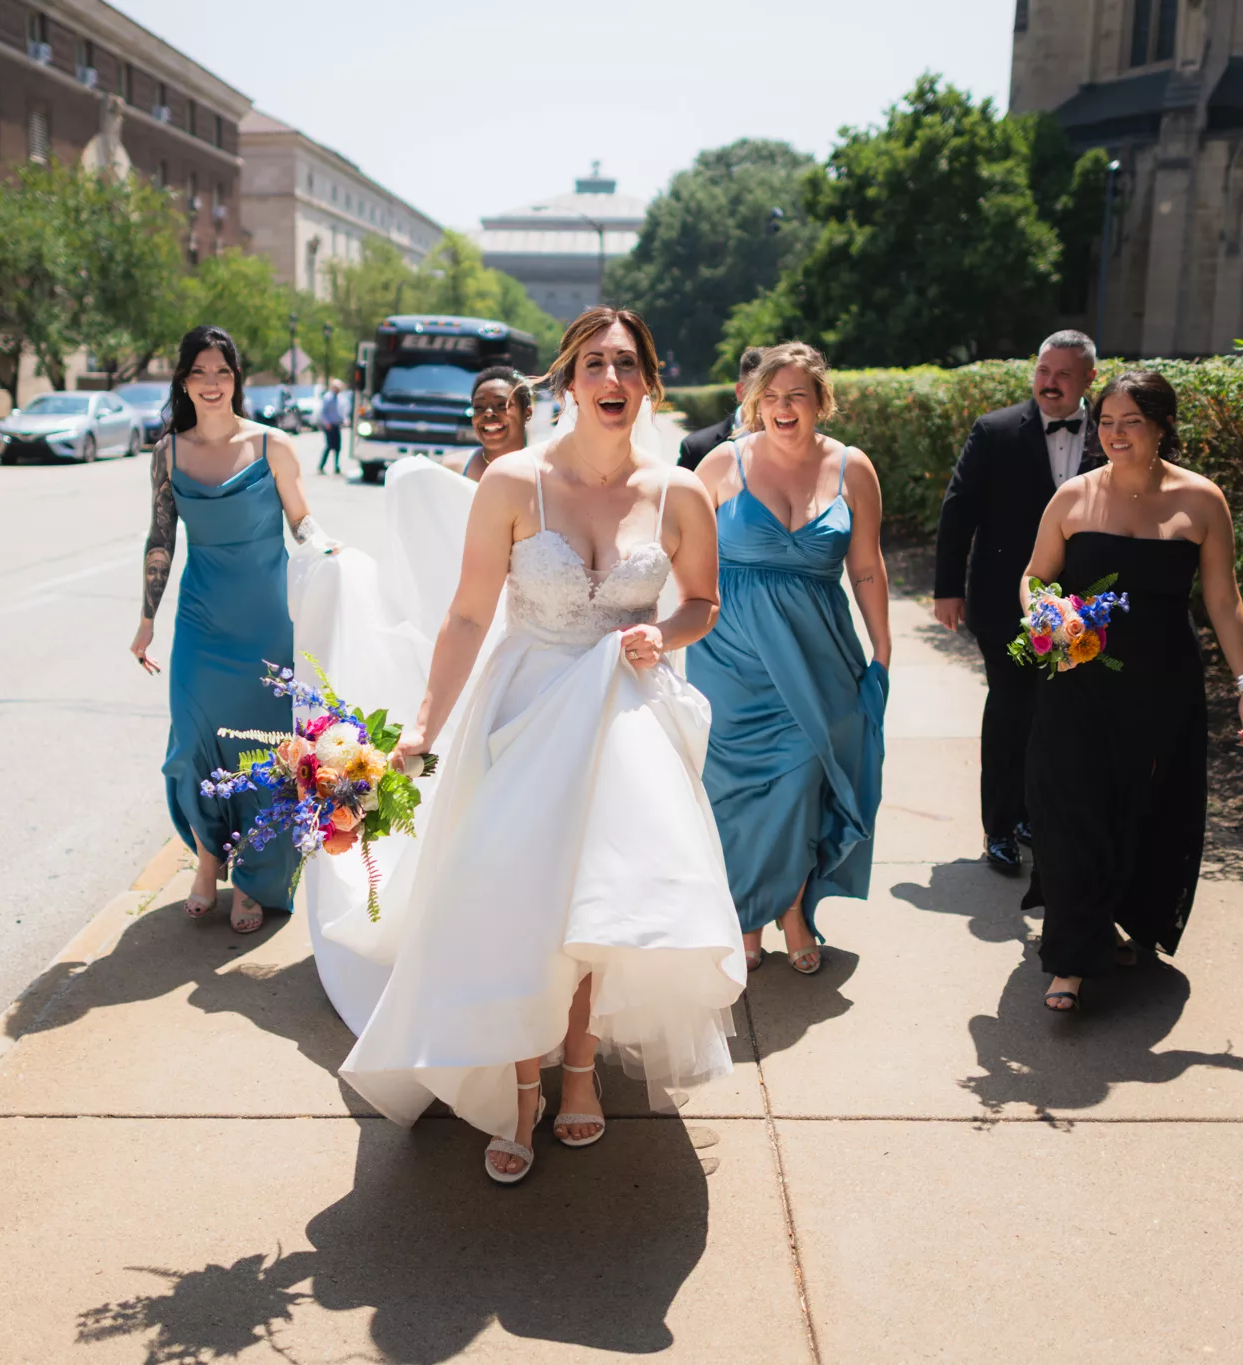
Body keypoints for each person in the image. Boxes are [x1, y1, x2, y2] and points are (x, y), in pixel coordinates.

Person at [339, 306, 745, 1185]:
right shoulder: (512, 484)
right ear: (567, 382)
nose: (611, 379)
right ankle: (521, 1086)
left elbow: (702, 603)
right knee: (516, 898)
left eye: (627, 365)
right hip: (524, 707)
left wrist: (661, 637)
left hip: (623, 720)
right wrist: (422, 726)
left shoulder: (679, 492)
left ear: (648, 383)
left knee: (601, 904)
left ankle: (577, 1064)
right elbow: (467, 614)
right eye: (595, 364)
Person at [1019, 370, 1243, 1013]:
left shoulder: (1202, 500)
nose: (1114, 433)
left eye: (1130, 422)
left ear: (1161, 427)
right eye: (1105, 421)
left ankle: (1119, 919)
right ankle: (1069, 960)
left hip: (1161, 683)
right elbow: (1035, 578)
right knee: (1070, 803)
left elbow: (1223, 597)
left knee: (1143, 804)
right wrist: (1051, 617)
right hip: (1077, 676)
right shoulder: (1072, 497)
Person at [130, 325, 340, 934]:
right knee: (195, 741)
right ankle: (204, 861)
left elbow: (301, 519)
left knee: (260, 748)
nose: (212, 384)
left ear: (236, 379)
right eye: (200, 372)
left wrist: (325, 550)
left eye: (222, 372)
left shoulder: (273, 446)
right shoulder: (168, 452)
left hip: (266, 621)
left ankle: (251, 875)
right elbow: (161, 539)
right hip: (200, 620)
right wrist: (146, 619)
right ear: (185, 381)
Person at [689, 342, 890, 976]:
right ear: (754, 403)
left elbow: (865, 566)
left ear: (820, 401)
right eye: (771, 398)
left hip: (816, 654)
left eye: (796, 397)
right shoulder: (722, 464)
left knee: (805, 779)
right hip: (730, 655)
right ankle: (749, 914)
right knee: (736, 790)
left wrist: (883, 644)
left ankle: (793, 908)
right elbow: (675, 550)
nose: (783, 408)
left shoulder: (853, 468)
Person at [932, 330, 1098, 876]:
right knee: (1011, 709)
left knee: (1064, 716)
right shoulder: (997, 431)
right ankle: (999, 828)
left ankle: (1037, 814)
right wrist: (948, 588)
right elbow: (959, 512)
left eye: (1064, 375)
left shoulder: (1114, 432)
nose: (1050, 384)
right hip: (1007, 600)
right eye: (1044, 371)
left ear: (1089, 380)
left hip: (1090, 606)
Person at [677, 345, 764, 471]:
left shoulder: (794, 446)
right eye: (758, 392)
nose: (768, 401)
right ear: (740, 391)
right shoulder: (697, 449)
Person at [463, 365, 532, 480]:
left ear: (526, 413)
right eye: (479, 407)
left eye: (502, 405)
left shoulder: (543, 475)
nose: (488, 413)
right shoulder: (453, 469)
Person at [317, 380, 346, 475]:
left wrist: (344, 420)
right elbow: (323, 411)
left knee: (338, 447)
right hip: (329, 426)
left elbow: (341, 410)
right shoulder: (328, 397)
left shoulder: (339, 398)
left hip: (336, 425)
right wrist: (326, 423)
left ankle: (337, 467)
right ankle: (321, 466)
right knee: (329, 446)